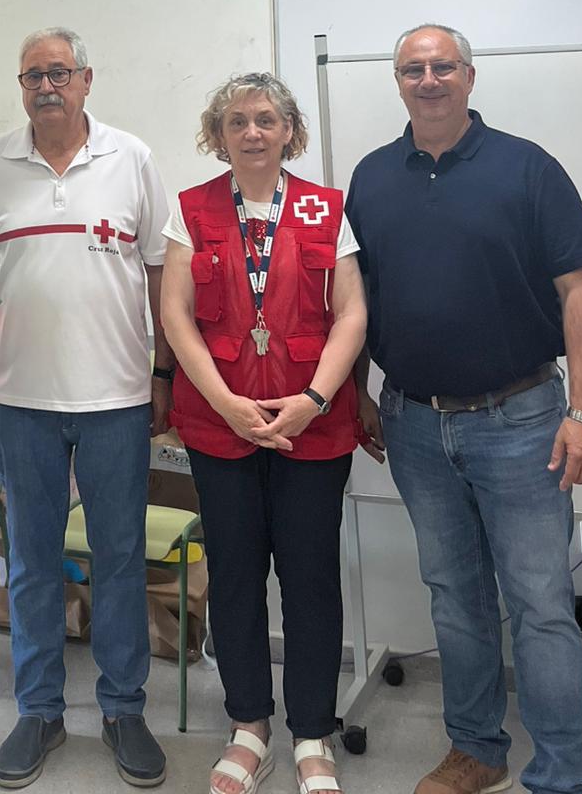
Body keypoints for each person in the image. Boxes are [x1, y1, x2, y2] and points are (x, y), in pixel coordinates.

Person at [348, 24, 582, 794]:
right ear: (398, 81)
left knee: (540, 604)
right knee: (455, 599)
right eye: (413, 69)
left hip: (523, 423)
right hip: (414, 424)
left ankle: (560, 774)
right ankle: (477, 751)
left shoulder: (528, 168)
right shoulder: (371, 177)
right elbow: (356, 298)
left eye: (443, 66)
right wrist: (358, 391)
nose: (428, 80)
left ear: (469, 76)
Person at [0, 27, 172, 790]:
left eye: (59, 72)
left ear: (87, 80)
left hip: (116, 397)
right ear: (20, 86)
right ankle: (40, 709)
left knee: (119, 559)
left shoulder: (133, 158)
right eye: (33, 75)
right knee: (30, 560)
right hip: (21, 399)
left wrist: (162, 372)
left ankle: (122, 709)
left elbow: (161, 273)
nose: (46, 86)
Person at [160, 73, 367, 794]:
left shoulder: (324, 208)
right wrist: (224, 403)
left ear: (289, 131)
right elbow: (175, 314)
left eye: (267, 120)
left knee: (310, 580)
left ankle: (312, 733)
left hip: (314, 426)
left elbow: (351, 313)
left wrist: (313, 398)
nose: (253, 132)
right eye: (237, 122)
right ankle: (249, 727)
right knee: (236, 577)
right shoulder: (190, 210)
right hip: (220, 426)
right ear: (218, 135)